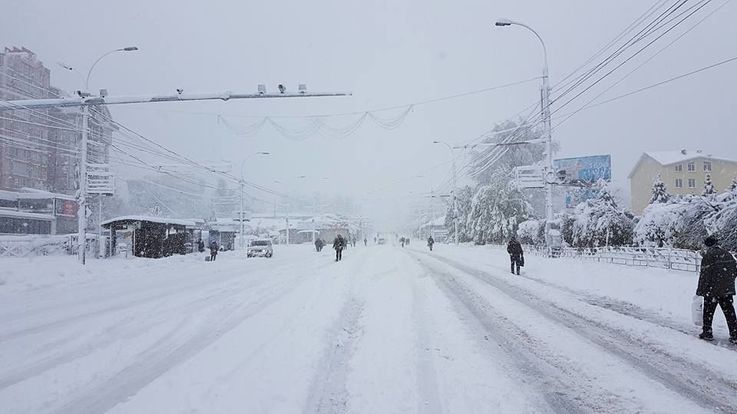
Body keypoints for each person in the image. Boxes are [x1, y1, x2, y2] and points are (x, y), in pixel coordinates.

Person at [696, 236, 737, 343]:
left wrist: (700, 290)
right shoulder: (727, 254)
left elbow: (704, 275)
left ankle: (707, 332)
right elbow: (734, 270)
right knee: (729, 312)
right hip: (726, 289)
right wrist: (728, 281)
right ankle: (734, 334)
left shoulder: (708, 256)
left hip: (712, 290)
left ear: (707, 245)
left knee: (708, 312)